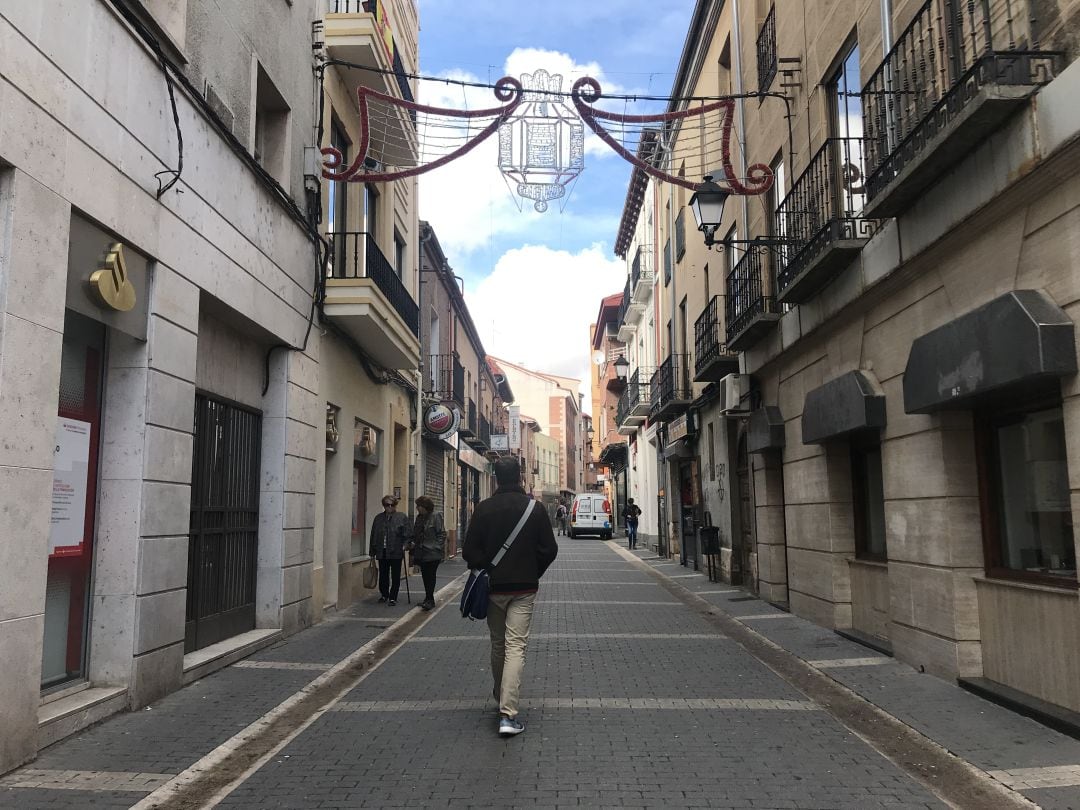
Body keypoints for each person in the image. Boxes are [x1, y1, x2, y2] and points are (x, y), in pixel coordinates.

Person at [463, 457, 558, 738]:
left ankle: (500, 693)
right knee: (516, 646)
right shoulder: (535, 509)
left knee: (498, 644)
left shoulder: (484, 509)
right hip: (524, 588)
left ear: (496, 478)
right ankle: (508, 713)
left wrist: (489, 568)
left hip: (494, 588)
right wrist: (533, 570)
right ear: (519, 477)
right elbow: (549, 549)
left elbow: (469, 552)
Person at [369, 495, 409, 605]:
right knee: (383, 575)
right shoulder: (378, 518)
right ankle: (384, 594)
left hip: (396, 551)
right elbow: (373, 535)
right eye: (387, 505)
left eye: (392, 505)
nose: (390, 507)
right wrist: (372, 552)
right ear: (384, 506)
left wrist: (405, 545)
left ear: (395, 505)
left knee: (395, 575)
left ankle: (393, 597)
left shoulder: (402, 517)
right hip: (382, 551)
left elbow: (407, 534)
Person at [409, 495, 446, 610]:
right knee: (425, 575)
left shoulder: (436, 516)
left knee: (430, 575)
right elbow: (416, 533)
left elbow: (442, 533)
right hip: (421, 552)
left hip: (433, 553)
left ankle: (430, 600)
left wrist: (437, 546)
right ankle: (428, 598)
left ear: (425, 506)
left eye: (418, 506)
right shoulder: (419, 518)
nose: (417, 508)